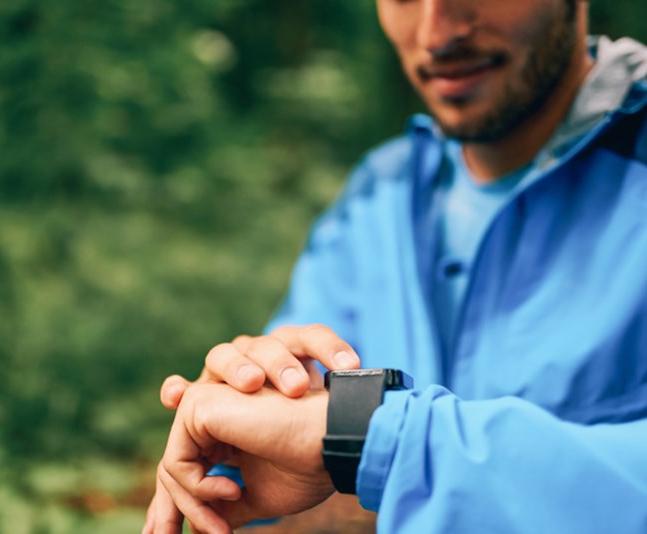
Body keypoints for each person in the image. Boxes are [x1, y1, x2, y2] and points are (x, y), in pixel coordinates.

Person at [144, 0, 647, 532]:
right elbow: (285, 459)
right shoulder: (378, 195)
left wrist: (375, 440)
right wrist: (234, 455)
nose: (436, 33)